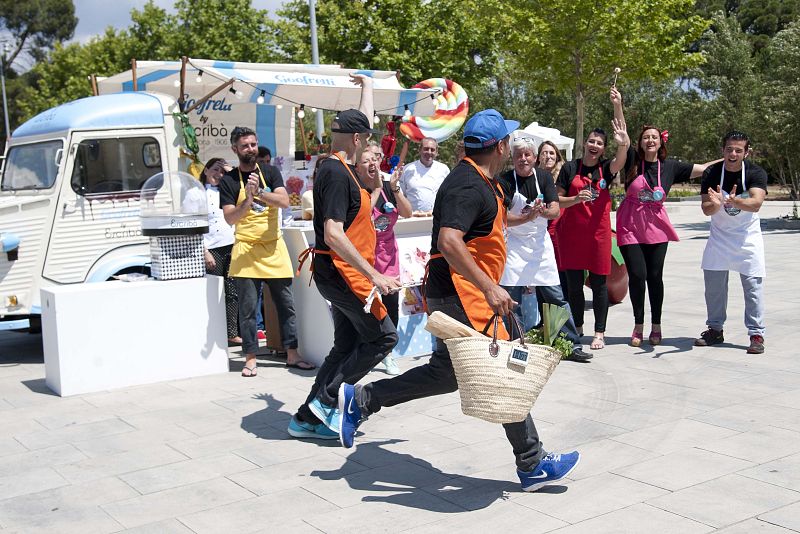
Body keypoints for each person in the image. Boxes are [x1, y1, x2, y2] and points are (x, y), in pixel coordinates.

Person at [337, 109, 581, 493]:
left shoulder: (483, 182)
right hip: (462, 292)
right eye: (508, 142)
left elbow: (488, 227)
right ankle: (532, 463)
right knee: (502, 372)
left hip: (459, 290)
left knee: (444, 374)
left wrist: (522, 219)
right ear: (500, 146)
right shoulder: (467, 184)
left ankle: (364, 400)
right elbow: (450, 241)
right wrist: (489, 286)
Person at [288, 74, 401, 440]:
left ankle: (306, 419)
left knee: (349, 344)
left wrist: (367, 87)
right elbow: (334, 234)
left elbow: (361, 121)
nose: (368, 141)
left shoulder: (341, 163)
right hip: (340, 272)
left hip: (338, 271)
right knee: (384, 338)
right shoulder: (337, 173)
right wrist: (376, 275)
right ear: (356, 140)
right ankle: (324, 401)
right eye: (365, 137)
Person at [220, 126, 314, 376]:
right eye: (244, 146)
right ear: (235, 149)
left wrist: (260, 192)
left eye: (253, 144)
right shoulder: (228, 181)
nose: (250, 149)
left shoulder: (271, 172)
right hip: (246, 248)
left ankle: (292, 354)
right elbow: (230, 219)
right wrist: (248, 200)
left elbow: (283, 201)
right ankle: (250, 357)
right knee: (248, 309)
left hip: (273, 246)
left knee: (286, 305)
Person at [617, 125, 718, 346]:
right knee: (637, 275)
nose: (650, 140)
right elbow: (622, 134)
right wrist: (617, 104)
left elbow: (704, 169)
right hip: (630, 226)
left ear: (661, 142)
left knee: (654, 277)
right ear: (640, 142)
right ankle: (638, 326)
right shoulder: (632, 160)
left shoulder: (670, 167)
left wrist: (729, 160)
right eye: (646, 137)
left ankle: (656, 326)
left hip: (656, 228)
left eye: (654, 137)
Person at [499, 136, 592, 362]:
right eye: (519, 155)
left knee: (555, 297)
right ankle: (516, 346)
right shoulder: (504, 180)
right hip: (514, 246)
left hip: (540, 245)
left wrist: (540, 213)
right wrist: (527, 217)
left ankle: (568, 344)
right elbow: (502, 219)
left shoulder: (543, 177)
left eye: (527, 155)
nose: (523, 159)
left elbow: (555, 210)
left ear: (534, 157)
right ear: (513, 157)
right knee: (512, 298)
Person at [556, 88, 630, 350]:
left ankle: (600, 332)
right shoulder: (568, 169)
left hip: (597, 235)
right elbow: (558, 202)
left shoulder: (607, 169)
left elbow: (623, 153)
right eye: (591, 141)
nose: (594, 145)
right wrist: (577, 200)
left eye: (599, 143)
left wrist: (618, 107)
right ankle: (577, 326)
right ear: (585, 143)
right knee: (574, 286)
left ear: (603, 148)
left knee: (599, 284)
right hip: (572, 235)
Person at [695, 131, 767, 354]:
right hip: (719, 238)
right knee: (714, 288)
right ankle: (715, 329)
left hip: (748, 238)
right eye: (729, 149)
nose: (733, 154)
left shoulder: (755, 172)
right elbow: (707, 209)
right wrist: (716, 205)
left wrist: (736, 201)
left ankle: (756, 334)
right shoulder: (712, 173)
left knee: (753, 289)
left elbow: (755, 204)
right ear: (722, 150)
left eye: (738, 150)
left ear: (746, 152)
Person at [367, 144, 412, 375]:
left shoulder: (388, 185)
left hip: (389, 256)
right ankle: (365, 354)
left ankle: (388, 354)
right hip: (366, 257)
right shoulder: (360, 186)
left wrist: (395, 190)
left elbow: (407, 212)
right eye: (369, 158)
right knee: (367, 309)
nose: (374, 162)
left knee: (390, 307)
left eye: (377, 157)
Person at [200, 157, 240, 345]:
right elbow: (195, 226)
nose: (218, 174)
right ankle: (214, 333)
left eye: (222, 172)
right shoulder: (197, 193)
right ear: (206, 170)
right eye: (215, 170)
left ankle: (232, 332)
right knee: (214, 293)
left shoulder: (229, 191)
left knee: (232, 291)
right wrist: (204, 251)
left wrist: (229, 170)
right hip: (211, 248)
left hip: (231, 244)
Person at [399, 137, 450, 216]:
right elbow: (401, 196)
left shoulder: (444, 169)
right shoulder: (407, 169)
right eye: (426, 149)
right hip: (413, 218)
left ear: (436, 152)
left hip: (437, 217)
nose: (429, 152)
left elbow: (449, 195)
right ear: (419, 150)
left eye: (432, 150)